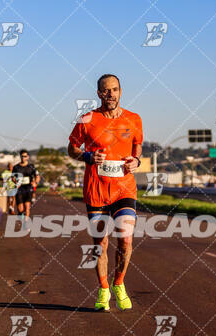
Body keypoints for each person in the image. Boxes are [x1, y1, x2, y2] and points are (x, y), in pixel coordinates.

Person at [67, 73, 143, 311]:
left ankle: (118, 283)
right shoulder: (88, 119)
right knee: (101, 244)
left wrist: (137, 162)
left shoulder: (134, 119)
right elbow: (71, 148)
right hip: (96, 189)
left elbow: (137, 145)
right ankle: (103, 289)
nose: (111, 94)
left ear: (121, 91)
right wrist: (87, 156)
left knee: (126, 239)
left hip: (124, 188)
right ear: (99, 93)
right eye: (106, 90)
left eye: (115, 89)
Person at [12, 150, 40, 217]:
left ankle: (25, 225)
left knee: (27, 207)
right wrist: (16, 183)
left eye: (25, 156)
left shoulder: (31, 166)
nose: (23, 158)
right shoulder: (16, 167)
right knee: (20, 209)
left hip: (28, 188)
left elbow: (37, 176)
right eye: (22, 156)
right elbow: (12, 177)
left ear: (28, 157)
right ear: (20, 157)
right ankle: (21, 216)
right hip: (19, 189)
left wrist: (35, 182)